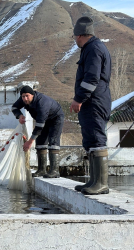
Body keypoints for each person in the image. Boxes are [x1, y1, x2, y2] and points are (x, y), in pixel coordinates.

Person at [70, 16, 111, 195]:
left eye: (75, 37)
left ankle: (101, 183)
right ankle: (94, 181)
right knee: (90, 139)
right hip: (91, 101)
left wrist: (79, 98)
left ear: (79, 35)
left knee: (96, 137)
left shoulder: (93, 49)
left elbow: (92, 78)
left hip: (94, 101)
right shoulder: (92, 47)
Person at [12, 86, 64, 178]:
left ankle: (54, 170)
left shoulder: (42, 103)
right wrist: (19, 115)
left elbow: (39, 126)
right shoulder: (23, 99)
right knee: (40, 143)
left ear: (32, 95)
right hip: (43, 120)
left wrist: (29, 142)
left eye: (27, 96)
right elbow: (14, 107)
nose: (25, 98)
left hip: (55, 119)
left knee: (53, 142)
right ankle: (41, 170)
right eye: (23, 96)